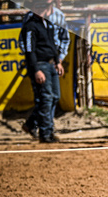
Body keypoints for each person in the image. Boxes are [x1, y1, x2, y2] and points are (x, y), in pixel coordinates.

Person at [20, 0, 69, 141]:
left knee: (53, 97)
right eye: (40, 6)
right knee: (46, 98)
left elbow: (53, 45)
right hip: (40, 65)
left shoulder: (47, 24)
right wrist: (36, 69)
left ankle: (33, 125)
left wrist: (57, 61)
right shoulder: (31, 25)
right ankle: (46, 133)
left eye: (45, 6)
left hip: (50, 63)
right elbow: (29, 49)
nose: (43, 9)